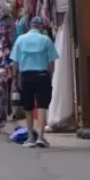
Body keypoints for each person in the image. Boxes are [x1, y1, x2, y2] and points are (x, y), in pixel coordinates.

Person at [10, 17, 58, 148]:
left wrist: (15, 77)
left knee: (28, 107)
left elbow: (15, 61)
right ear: (41, 27)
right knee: (42, 106)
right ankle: (41, 137)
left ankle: (31, 137)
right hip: (42, 75)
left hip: (26, 76)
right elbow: (51, 62)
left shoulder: (20, 40)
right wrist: (50, 75)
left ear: (30, 26)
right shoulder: (46, 40)